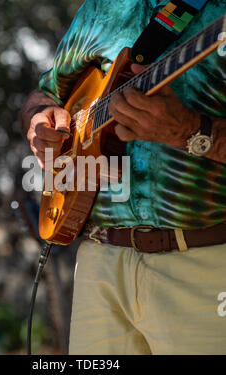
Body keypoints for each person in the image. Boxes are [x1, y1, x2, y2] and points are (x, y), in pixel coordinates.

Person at [21, 0, 226, 354]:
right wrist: (38, 119)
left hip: (206, 262)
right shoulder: (102, 7)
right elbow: (47, 92)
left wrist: (191, 132)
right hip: (99, 263)